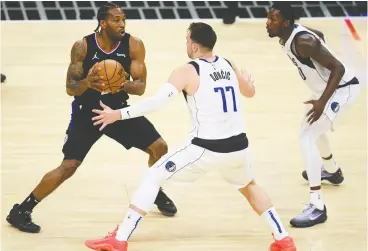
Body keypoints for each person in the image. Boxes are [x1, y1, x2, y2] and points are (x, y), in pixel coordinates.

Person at [84, 22, 296, 251]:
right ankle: (283, 238)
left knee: (153, 177)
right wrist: (245, 81)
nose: (185, 43)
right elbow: (250, 92)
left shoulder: (187, 71)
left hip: (206, 148)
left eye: (187, 39)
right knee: (249, 185)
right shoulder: (228, 63)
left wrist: (118, 114)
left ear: (194, 46)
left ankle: (120, 239)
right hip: (239, 147)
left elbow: (156, 103)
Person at [6, 2, 177, 234]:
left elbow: (140, 87)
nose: (122, 24)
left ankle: (153, 190)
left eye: (123, 19)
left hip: (117, 111)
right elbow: (70, 87)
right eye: (116, 20)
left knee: (159, 147)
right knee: (69, 166)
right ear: (103, 22)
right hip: (89, 113)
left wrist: (120, 83)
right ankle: (21, 210)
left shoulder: (134, 45)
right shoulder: (83, 46)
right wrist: (87, 82)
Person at [266, 3, 360, 228]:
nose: (267, 23)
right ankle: (332, 171)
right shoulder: (293, 35)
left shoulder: (303, 41)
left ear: (286, 23)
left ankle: (317, 207)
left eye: (273, 19)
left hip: (342, 89)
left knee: (306, 136)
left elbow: (338, 68)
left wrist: (322, 102)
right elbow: (319, 35)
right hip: (324, 90)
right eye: (268, 18)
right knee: (312, 129)